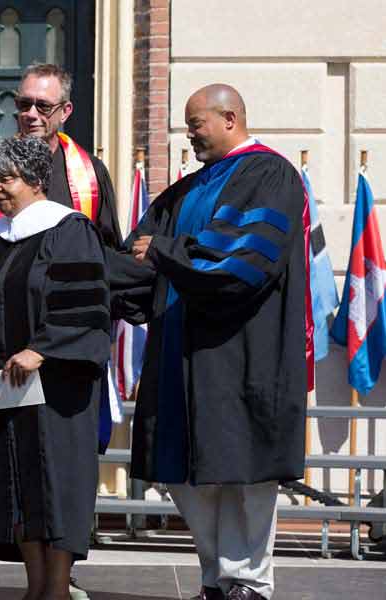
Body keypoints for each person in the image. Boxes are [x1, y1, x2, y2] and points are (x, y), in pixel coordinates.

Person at [113, 84, 308, 600]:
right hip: (180, 352)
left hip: (240, 349)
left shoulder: (269, 175)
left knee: (243, 472)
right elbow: (137, 255)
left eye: (195, 124)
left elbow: (239, 263)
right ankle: (216, 576)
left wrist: (165, 252)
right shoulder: (185, 191)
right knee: (187, 472)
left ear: (229, 117)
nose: (189, 134)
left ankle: (248, 581)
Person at [0, 136, 110, 600]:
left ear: (37, 181)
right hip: (4, 390)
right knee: (18, 487)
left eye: (6, 179)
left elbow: (88, 310)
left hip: (56, 391)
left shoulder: (70, 230)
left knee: (54, 483)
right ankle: (36, 588)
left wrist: (44, 349)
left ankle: (55, 589)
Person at [0, 62, 121, 278]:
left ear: (65, 112)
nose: (31, 114)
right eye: (24, 104)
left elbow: (108, 252)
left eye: (43, 106)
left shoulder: (91, 175)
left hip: (63, 301)